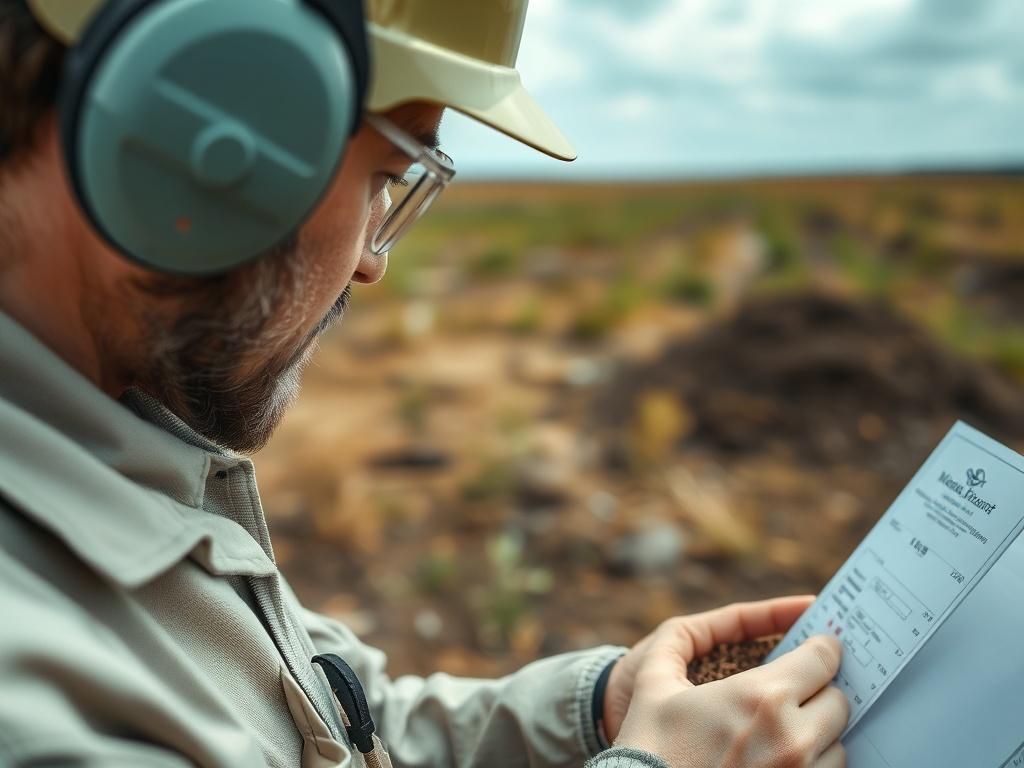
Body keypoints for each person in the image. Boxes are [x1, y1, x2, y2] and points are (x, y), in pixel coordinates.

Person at [0, 0, 850, 766]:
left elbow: (324, 720)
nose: (372, 262)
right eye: (385, 175)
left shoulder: (115, 448)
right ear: (214, 129)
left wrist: (599, 712)